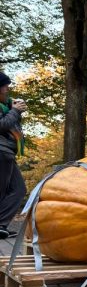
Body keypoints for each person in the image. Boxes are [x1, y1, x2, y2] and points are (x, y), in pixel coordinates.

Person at [0, 72, 26, 239]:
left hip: (7, 152)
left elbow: (10, 123)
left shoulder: (5, 106)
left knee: (19, 189)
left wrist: (16, 109)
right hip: (1, 151)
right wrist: (15, 111)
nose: (7, 89)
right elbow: (2, 125)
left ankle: (1, 223)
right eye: (4, 85)